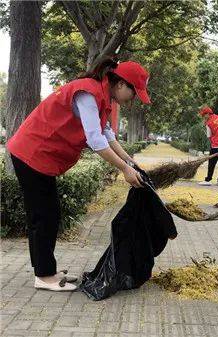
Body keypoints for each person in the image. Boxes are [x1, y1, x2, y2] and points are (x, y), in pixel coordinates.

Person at [7, 58, 151, 292]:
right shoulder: (87, 92)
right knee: (44, 216)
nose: (133, 99)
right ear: (122, 84)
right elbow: (95, 140)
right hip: (31, 153)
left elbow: (107, 133)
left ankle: (47, 270)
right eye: (134, 93)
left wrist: (129, 161)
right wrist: (124, 170)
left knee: (48, 214)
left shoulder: (102, 97)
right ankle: (43, 275)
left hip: (40, 156)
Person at [198, 106, 218, 186]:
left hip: (215, 146)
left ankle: (208, 180)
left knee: (211, 164)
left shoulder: (208, 123)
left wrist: (213, 142)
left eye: (203, 115)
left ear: (207, 114)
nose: (203, 117)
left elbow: (209, 136)